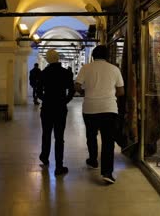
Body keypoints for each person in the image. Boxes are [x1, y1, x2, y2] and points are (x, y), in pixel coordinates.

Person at [75, 45, 124, 184]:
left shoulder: (86, 68)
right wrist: (108, 94)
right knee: (108, 141)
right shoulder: (114, 69)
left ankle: (92, 160)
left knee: (91, 135)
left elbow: (77, 85)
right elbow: (121, 91)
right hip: (109, 108)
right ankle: (107, 172)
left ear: (93, 56)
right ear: (108, 56)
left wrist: (85, 93)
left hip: (90, 108)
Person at [36, 49, 75, 176]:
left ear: (47, 59)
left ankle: (44, 157)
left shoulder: (43, 73)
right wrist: (64, 101)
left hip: (47, 108)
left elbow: (38, 92)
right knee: (59, 138)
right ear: (58, 58)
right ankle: (59, 166)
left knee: (46, 134)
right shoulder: (66, 73)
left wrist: (45, 99)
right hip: (60, 109)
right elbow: (72, 90)